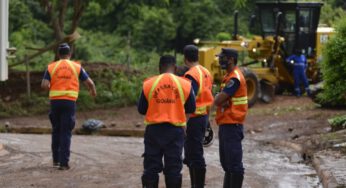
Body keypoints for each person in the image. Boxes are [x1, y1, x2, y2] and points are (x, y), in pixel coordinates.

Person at [138, 55, 196, 188]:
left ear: (159, 68)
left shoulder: (149, 83)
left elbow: (141, 109)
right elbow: (191, 108)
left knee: (151, 168)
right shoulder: (185, 84)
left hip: (153, 131)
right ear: (175, 68)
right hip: (175, 131)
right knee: (173, 169)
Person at [41, 43, 96, 170]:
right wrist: (93, 91)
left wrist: (52, 87)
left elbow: (44, 85)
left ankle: (55, 160)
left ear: (58, 55)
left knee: (56, 130)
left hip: (55, 102)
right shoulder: (76, 66)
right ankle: (64, 163)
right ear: (70, 54)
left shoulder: (51, 67)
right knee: (66, 132)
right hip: (69, 102)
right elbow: (90, 83)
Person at [214, 48, 248, 188]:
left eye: (223, 58)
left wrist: (220, 98)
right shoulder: (228, 77)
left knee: (234, 164)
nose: (220, 60)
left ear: (231, 60)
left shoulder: (235, 78)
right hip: (225, 124)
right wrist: (221, 98)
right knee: (227, 164)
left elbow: (218, 100)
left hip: (232, 124)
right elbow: (221, 99)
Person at [182, 45, 214, 188]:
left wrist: (183, 121)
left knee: (194, 154)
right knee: (192, 153)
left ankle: (198, 185)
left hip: (194, 118)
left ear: (185, 58)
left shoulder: (191, 75)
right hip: (203, 116)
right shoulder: (206, 71)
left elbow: (190, 99)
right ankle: (197, 183)